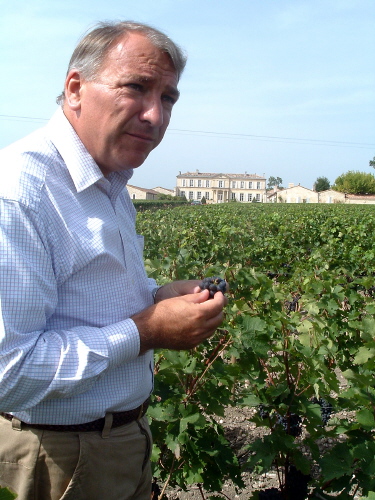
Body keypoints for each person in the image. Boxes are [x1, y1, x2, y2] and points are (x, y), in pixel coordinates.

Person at [0, 21, 227, 500]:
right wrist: (149, 329)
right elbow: (9, 373)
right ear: (76, 89)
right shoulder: (20, 192)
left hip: (120, 441)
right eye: (136, 88)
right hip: (56, 458)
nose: (154, 115)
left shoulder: (112, 180)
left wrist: (156, 295)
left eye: (168, 98)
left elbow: (90, 291)